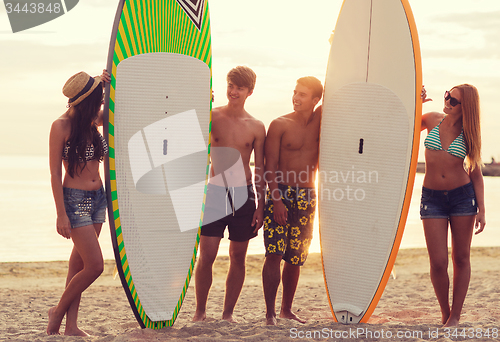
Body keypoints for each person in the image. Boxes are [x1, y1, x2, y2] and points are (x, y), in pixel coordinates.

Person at [192, 66, 266, 323]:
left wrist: (261, 206)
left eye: (239, 88)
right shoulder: (211, 116)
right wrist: (199, 101)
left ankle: (227, 314)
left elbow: (261, 169)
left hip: (244, 196)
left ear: (250, 92)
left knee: (238, 257)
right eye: (230, 86)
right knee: (207, 255)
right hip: (215, 193)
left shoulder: (256, 126)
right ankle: (200, 311)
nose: (233, 92)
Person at [47, 70, 110, 335]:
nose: (102, 103)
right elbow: (54, 173)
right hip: (75, 201)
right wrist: (61, 214)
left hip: (98, 199)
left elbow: (123, 102)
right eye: (98, 99)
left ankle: (71, 325)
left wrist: (107, 79)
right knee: (95, 266)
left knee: (79, 265)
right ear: (87, 102)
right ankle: (58, 311)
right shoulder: (61, 126)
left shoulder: (93, 122)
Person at [420, 84, 485, 327]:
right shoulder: (433, 120)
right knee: (438, 262)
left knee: (461, 258)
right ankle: (445, 311)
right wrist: (419, 102)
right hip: (432, 198)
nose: (447, 101)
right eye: (448, 95)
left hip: (462, 198)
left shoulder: (469, 133)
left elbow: (476, 175)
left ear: (464, 107)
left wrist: (482, 210)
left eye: (454, 101)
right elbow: (405, 123)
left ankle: (455, 316)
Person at [262, 76, 323, 325]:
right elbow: (269, 167)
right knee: (274, 253)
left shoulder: (321, 119)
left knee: (295, 257)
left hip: (307, 195)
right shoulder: (279, 124)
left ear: (316, 100)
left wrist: (335, 44)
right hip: (281, 192)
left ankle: (287, 309)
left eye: (303, 94)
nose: (296, 98)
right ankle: (270, 313)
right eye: (295, 92)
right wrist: (276, 200)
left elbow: (339, 85)